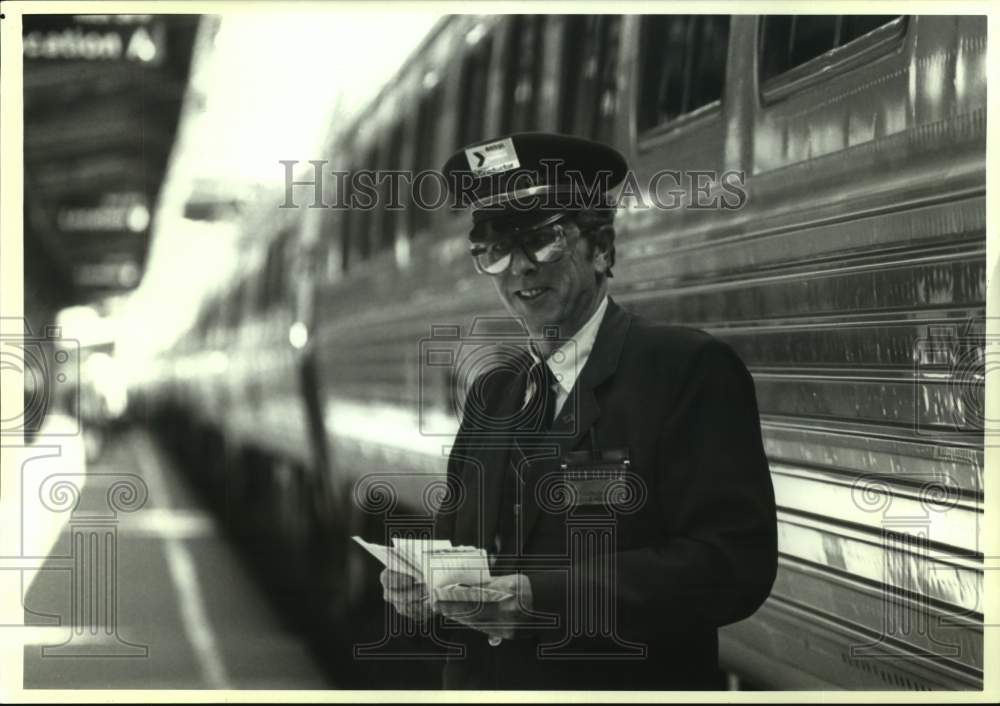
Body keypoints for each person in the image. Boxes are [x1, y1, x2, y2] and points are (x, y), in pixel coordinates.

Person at [380, 132, 777, 690]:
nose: (518, 269)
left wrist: (540, 600)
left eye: (541, 241)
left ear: (602, 248)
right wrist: (424, 588)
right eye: (494, 248)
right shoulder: (492, 395)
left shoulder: (687, 371)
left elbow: (732, 564)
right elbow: (460, 551)